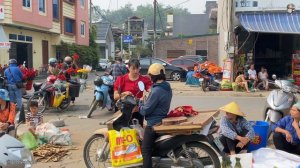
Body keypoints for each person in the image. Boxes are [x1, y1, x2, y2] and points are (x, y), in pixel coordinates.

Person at [137, 63, 172, 168]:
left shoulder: (156, 90)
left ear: (154, 76)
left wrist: (140, 103)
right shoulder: (167, 87)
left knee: (145, 150)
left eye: (150, 76)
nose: (150, 78)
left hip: (153, 124)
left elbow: (145, 111)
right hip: (162, 119)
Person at [114, 58, 152, 126]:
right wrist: (124, 93)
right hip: (125, 110)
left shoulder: (144, 79)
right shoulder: (121, 79)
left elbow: (151, 91)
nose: (136, 71)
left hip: (138, 110)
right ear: (128, 68)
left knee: (138, 130)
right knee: (125, 130)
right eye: (133, 68)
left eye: (137, 68)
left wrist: (145, 97)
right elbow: (115, 96)